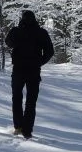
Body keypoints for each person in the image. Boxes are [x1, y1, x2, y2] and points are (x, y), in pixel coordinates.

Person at [5, 10, 54, 139]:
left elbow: (8, 43)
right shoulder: (41, 33)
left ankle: (18, 127)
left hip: (18, 70)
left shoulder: (16, 31)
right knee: (31, 101)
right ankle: (27, 130)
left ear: (22, 19)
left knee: (16, 98)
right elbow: (50, 51)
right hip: (34, 71)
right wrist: (39, 62)